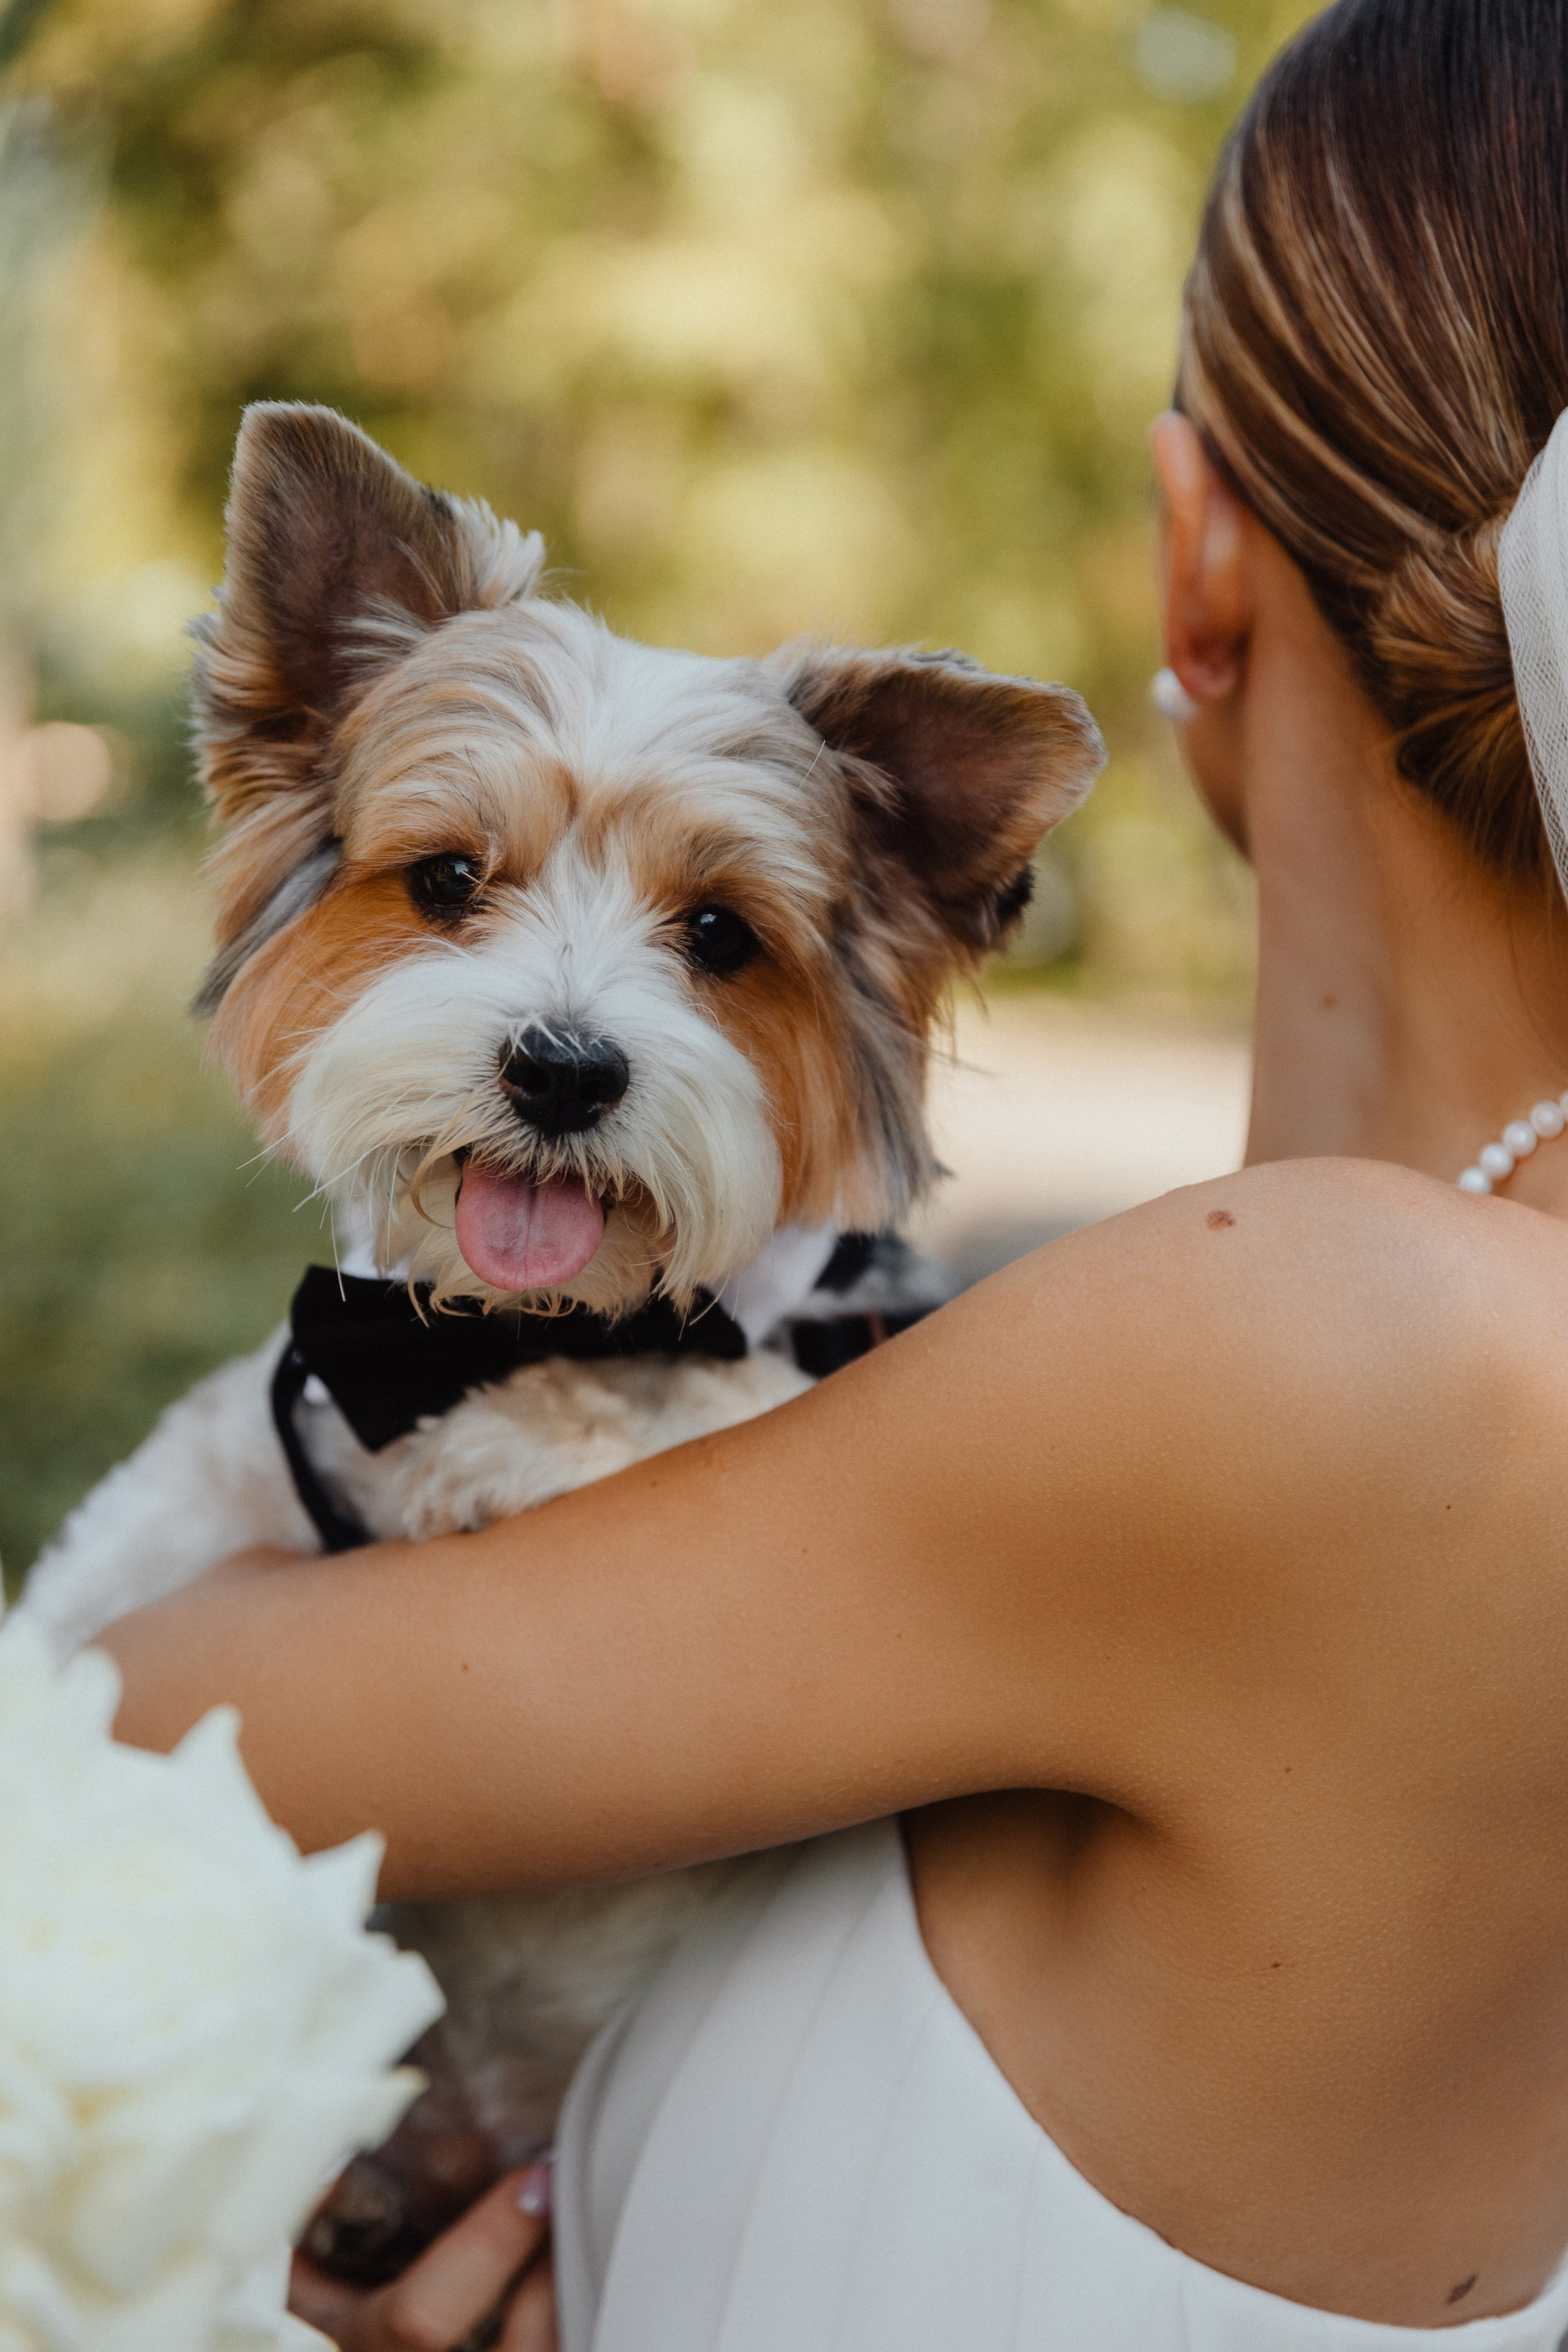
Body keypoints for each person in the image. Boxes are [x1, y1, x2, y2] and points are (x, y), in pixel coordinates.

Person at [93, 0, 1568, 2342]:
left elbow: (91, 1740)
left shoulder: (1317, 1348)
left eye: (714, 936)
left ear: (1196, 556)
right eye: (461, 887)